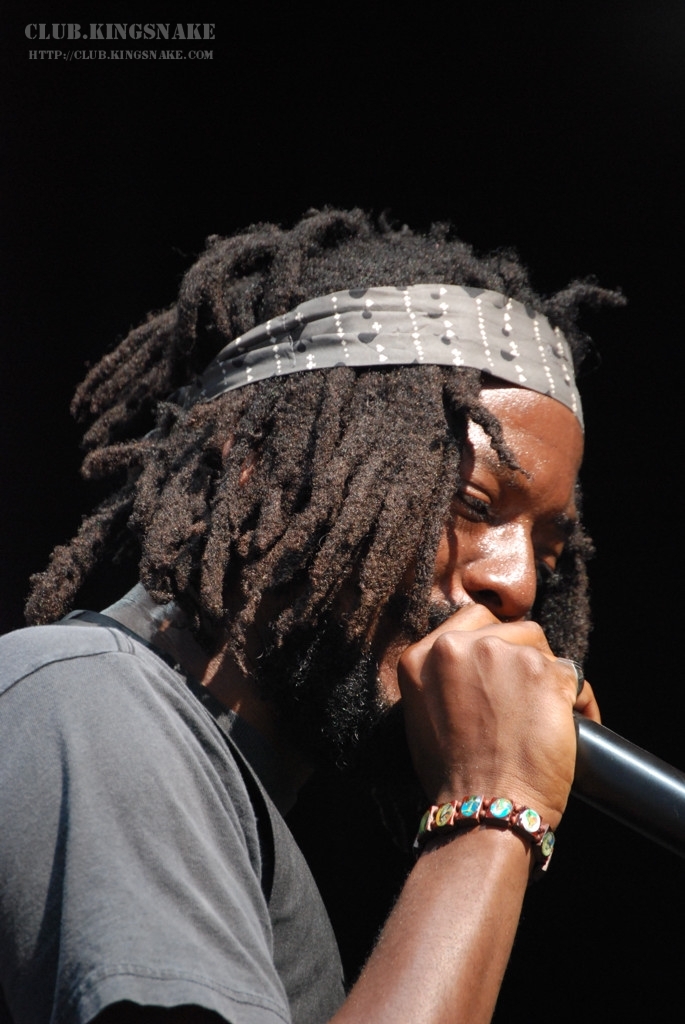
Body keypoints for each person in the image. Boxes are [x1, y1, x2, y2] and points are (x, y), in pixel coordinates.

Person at [0, 209, 621, 1024]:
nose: (516, 585)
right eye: (473, 503)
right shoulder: (89, 703)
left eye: (546, 555)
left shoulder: (231, 792)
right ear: (260, 464)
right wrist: (490, 809)